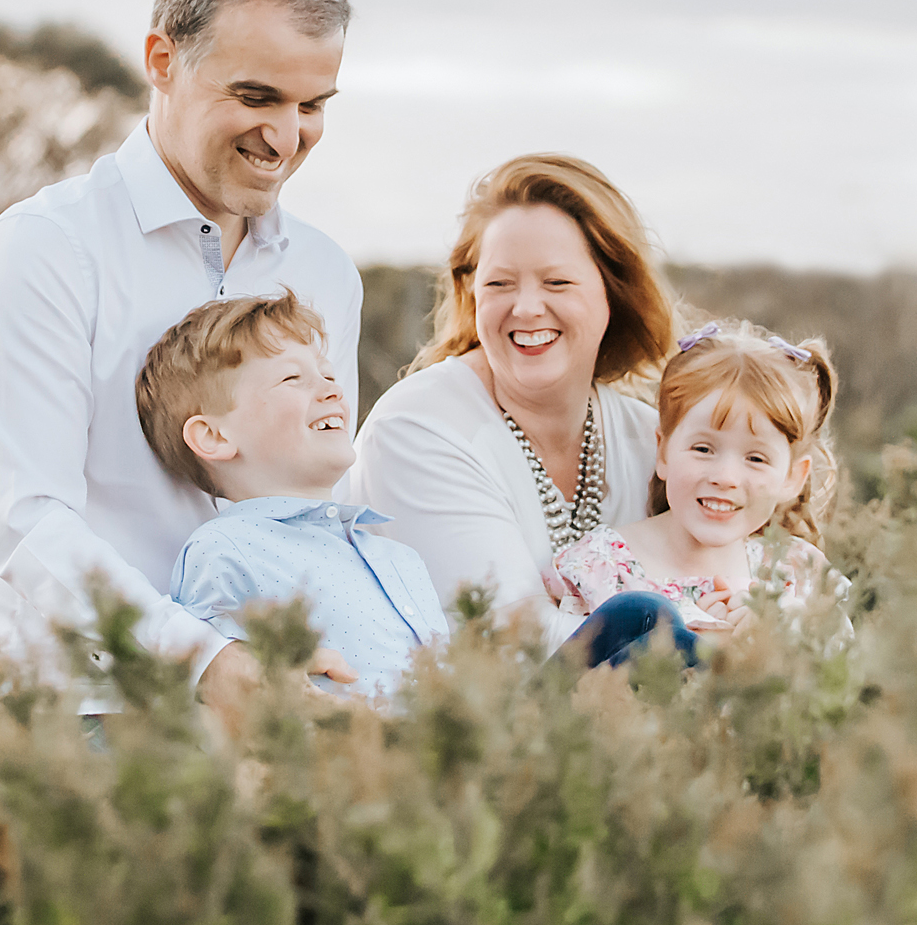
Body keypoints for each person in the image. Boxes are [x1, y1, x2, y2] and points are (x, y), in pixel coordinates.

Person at [0, 0, 362, 727]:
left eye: (312, 105)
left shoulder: (324, 274)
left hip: (275, 722)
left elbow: (319, 503)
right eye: (255, 97)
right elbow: (28, 522)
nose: (285, 137)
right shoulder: (44, 251)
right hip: (74, 714)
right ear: (163, 60)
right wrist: (207, 661)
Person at [341, 155, 674, 649]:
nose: (525, 307)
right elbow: (510, 645)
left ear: (614, 291)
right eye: (499, 284)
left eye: (556, 282)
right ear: (473, 293)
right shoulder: (416, 429)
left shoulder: (653, 439)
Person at [139, 292, 449, 705]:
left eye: (327, 374)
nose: (332, 390)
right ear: (214, 436)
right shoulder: (226, 550)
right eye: (292, 378)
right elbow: (219, 698)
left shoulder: (399, 559)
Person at [555, 319, 848, 668]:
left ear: (791, 477)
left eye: (755, 458)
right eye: (703, 449)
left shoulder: (798, 573)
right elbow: (564, 688)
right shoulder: (604, 566)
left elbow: (847, 684)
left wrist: (779, 636)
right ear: (663, 452)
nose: (725, 477)